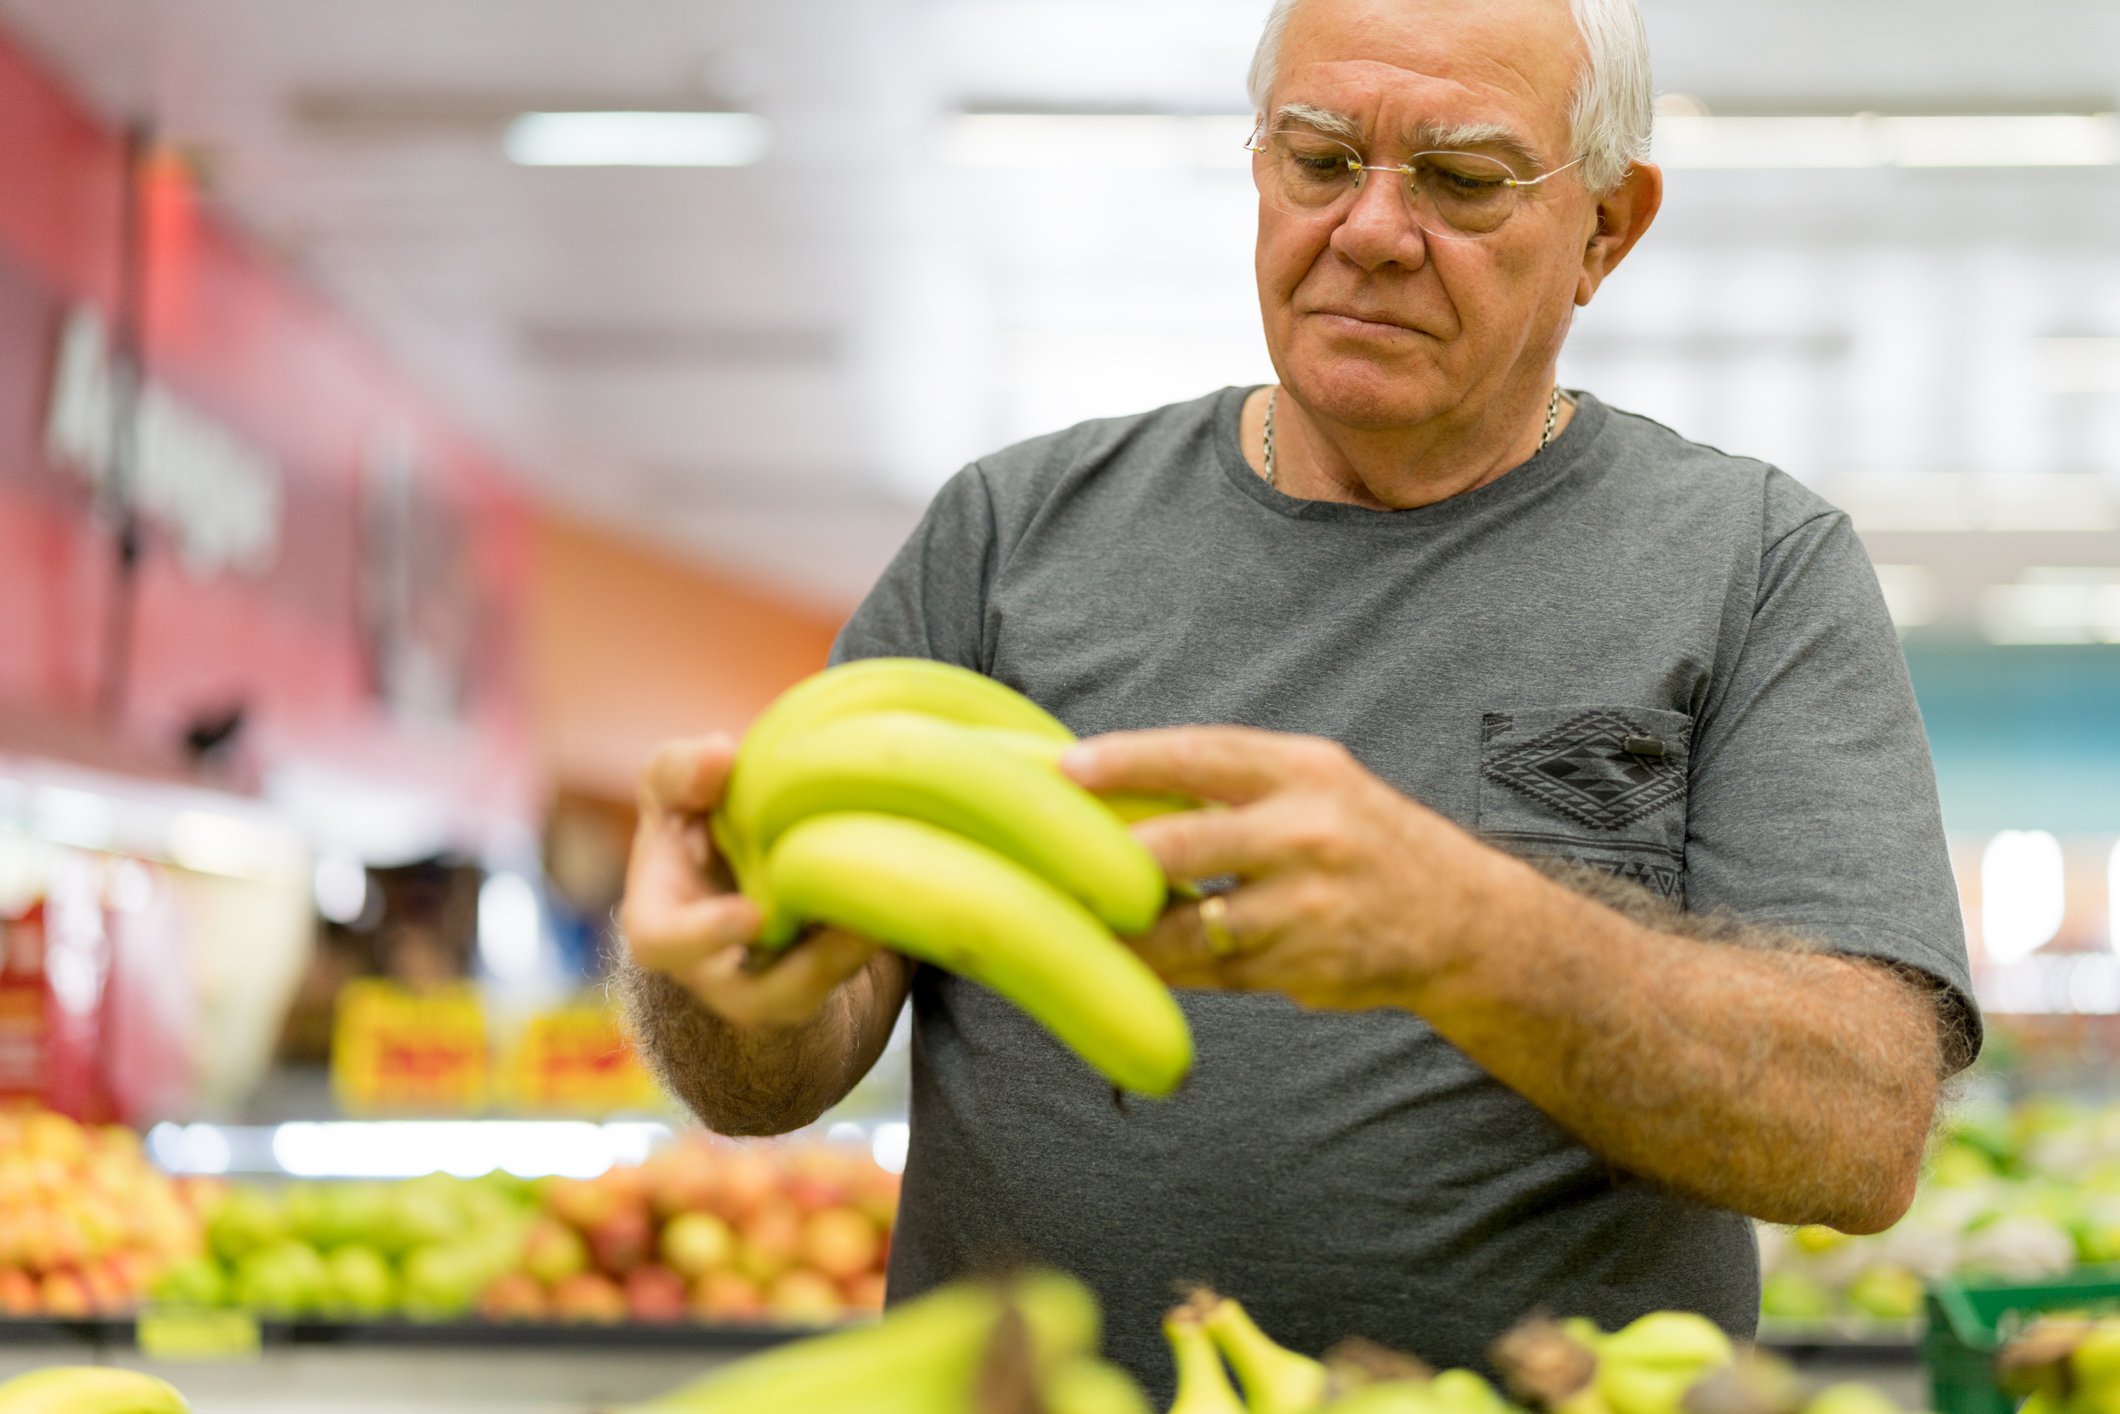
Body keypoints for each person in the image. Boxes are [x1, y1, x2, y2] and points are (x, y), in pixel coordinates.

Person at [616, 0, 1979, 1394]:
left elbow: (1860, 1128)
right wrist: (715, 958)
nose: (1374, 229)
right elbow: (765, 1075)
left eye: (1461, 179)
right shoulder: (1013, 537)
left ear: (1605, 231)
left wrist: (1467, 930)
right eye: (1321, 159)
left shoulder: (1751, 564)